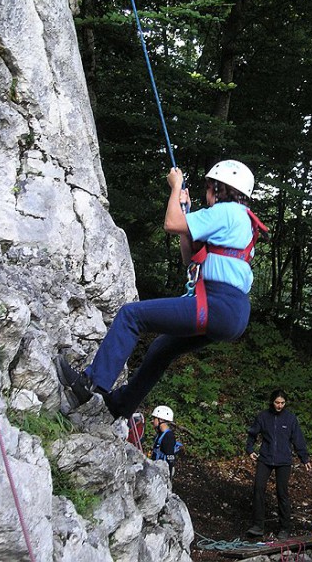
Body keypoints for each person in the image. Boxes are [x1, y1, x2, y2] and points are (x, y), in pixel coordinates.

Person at [55, 160, 266, 430]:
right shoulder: (243, 220)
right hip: (233, 313)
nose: (207, 193)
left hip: (217, 303)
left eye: (209, 187)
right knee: (162, 348)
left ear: (219, 187)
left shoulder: (227, 212)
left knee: (132, 315)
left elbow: (170, 222)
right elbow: (190, 257)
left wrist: (175, 187)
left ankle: (90, 382)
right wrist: (184, 213)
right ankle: (120, 404)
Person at [245, 388, 312, 540]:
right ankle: (258, 526)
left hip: (284, 460)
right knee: (258, 488)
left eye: (282, 403)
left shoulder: (290, 419)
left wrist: (304, 459)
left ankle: (285, 527)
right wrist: (250, 450)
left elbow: (298, 439)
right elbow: (252, 434)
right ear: (272, 402)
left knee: (282, 493)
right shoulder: (263, 417)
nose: (279, 405)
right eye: (277, 402)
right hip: (265, 457)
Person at [150, 405, 178, 478]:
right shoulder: (160, 434)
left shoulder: (168, 437)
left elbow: (170, 458)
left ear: (161, 420)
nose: (152, 421)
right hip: (155, 470)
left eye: (154, 418)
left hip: (161, 474)